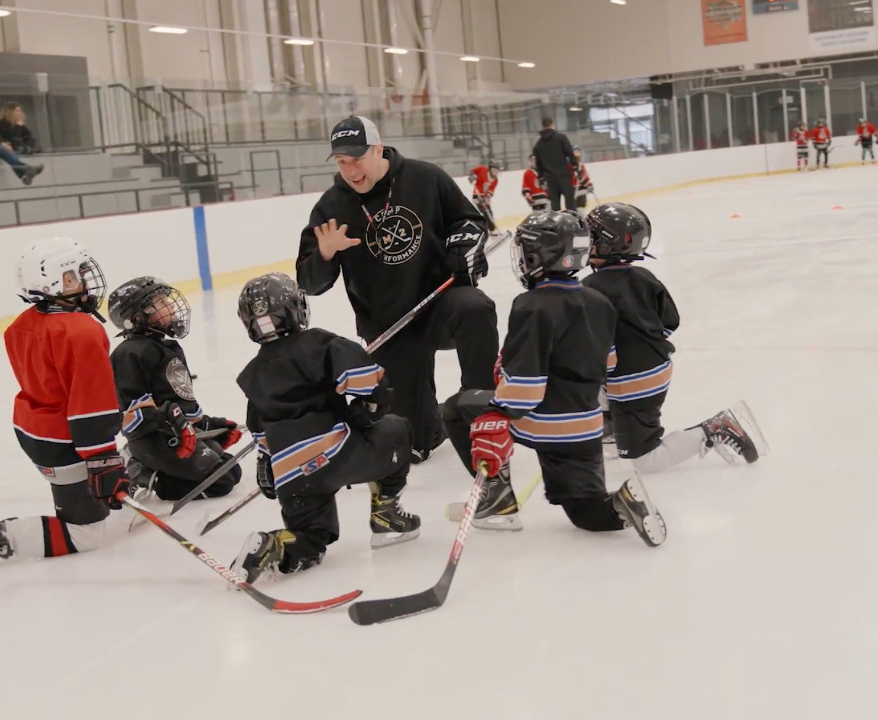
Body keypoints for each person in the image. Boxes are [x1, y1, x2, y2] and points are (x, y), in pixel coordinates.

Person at [439, 211, 665, 545]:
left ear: (537, 255)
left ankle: (498, 502)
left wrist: (497, 415)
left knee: (457, 409)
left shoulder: (531, 305)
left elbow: (524, 391)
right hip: (585, 427)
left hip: (539, 421)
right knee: (587, 514)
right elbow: (610, 361)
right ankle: (622, 503)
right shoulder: (599, 301)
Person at [297, 116, 499, 464]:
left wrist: (463, 248)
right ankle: (430, 422)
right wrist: (326, 252)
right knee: (412, 447)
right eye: (342, 162)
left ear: (378, 149)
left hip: (440, 303)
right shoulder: (331, 207)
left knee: (475, 306)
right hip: (390, 327)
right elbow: (309, 283)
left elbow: (471, 221)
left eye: (356, 158)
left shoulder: (425, 177)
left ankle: (480, 405)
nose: (350, 170)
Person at [0, 238, 128, 577]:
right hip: (64, 441)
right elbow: (89, 406)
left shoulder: (22, 324)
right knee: (86, 533)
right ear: (58, 280)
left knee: (94, 498)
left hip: (33, 430)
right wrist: (103, 461)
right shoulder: (82, 330)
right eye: (75, 274)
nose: (83, 281)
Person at [231, 273, 421, 582]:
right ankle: (386, 516)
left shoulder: (253, 373)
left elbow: (260, 433)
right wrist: (367, 412)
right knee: (397, 429)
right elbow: (372, 386)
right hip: (336, 455)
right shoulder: (318, 343)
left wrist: (268, 465)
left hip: (290, 474)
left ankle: (273, 544)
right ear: (296, 308)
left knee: (310, 538)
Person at [582, 202, 766, 475]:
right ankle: (612, 426)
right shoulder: (645, 277)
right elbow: (669, 322)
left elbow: (593, 348)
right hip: (657, 367)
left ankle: (714, 428)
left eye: (590, 238)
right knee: (596, 386)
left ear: (605, 244)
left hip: (633, 382)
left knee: (647, 460)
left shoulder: (588, 289)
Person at [107, 276, 243, 503]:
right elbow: (130, 417)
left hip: (178, 434)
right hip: (155, 440)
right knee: (222, 481)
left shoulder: (166, 346)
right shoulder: (129, 354)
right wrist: (169, 421)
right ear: (138, 317)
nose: (170, 305)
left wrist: (209, 424)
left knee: (231, 468)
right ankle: (141, 472)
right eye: (160, 303)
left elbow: (178, 399)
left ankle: (151, 466)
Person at [532, 118, 577, 211]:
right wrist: (575, 166)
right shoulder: (561, 138)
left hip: (549, 177)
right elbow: (570, 153)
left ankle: (556, 224)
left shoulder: (538, 144)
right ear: (552, 124)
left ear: (543, 126)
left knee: (555, 204)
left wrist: (540, 177)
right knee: (570, 203)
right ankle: (573, 222)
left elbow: (538, 163)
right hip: (564, 174)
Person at [468, 159, 501, 231]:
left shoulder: (496, 180)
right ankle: (489, 230)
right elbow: (472, 171)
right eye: (494, 169)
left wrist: (487, 198)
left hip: (485, 198)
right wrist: (472, 176)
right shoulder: (482, 169)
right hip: (477, 195)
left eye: (497, 170)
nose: (496, 172)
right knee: (484, 213)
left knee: (489, 212)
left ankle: (491, 229)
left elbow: (490, 192)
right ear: (490, 168)